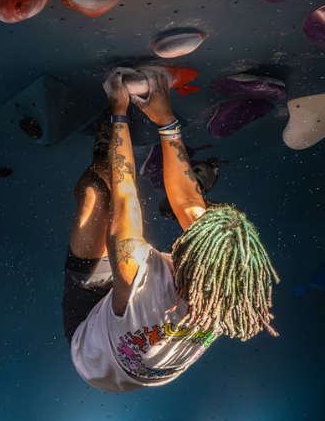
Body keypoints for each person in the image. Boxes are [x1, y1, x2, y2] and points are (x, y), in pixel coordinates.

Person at [62, 69, 279, 393]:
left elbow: (126, 193)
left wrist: (119, 112)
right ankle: (187, 198)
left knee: (98, 190)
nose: (190, 225)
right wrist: (166, 121)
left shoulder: (138, 266)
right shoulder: (234, 283)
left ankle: (100, 151)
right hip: (143, 338)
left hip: (94, 349)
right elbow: (189, 201)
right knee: (193, 207)